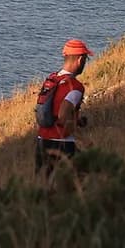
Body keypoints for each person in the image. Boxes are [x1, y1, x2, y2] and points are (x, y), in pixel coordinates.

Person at [33, 38, 92, 174]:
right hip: (62, 145)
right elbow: (62, 114)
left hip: (42, 142)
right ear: (80, 59)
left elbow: (52, 110)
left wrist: (77, 121)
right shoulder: (75, 86)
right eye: (86, 60)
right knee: (74, 185)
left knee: (45, 187)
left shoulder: (52, 79)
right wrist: (83, 140)